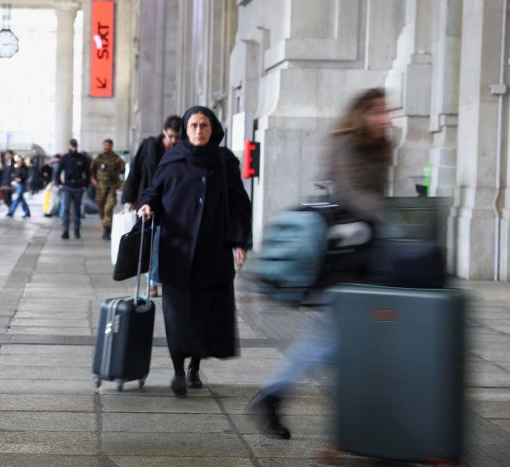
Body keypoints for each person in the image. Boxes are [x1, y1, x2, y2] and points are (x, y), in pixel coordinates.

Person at [246, 88, 393, 439]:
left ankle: (356, 416)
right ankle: (277, 396)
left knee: (334, 340)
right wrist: (388, 217)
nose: (386, 117)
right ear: (362, 114)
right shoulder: (347, 144)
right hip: (342, 257)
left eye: (386, 111)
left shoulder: (381, 146)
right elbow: (351, 195)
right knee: (328, 339)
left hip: (363, 256)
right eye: (378, 111)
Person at [137, 106, 252, 398]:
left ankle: (194, 369)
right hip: (177, 250)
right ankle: (177, 369)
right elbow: (155, 190)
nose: (199, 131)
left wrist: (239, 241)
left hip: (212, 252)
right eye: (193, 126)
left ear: (213, 129)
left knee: (203, 314)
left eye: (204, 125)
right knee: (176, 314)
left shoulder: (225, 162)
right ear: (186, 131)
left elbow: (239, 203)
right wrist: (148, 205)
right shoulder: (172, 159)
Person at [123, 115, 181, 296]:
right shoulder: (149, 146)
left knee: (165, 244)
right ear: (164, 131)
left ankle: (161, 280)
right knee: (150, 242)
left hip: (171, 205)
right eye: (171, 136)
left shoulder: (181, 151)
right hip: (148, 203)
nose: (173, 140)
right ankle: (152, 283)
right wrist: (129, 198)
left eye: (177, 137)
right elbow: (135, 171)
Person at [54, 139, 91, 239]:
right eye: (72, 146)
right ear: (69, 146)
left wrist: (86, 185)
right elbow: (58, 171)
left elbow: (87, 173)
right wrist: (58, 183)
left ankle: (76, 230)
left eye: (75, 146)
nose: (73, 148)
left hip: (78, 188)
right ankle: (65, 231)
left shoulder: (82, 158)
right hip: (67, 187)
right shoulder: (65, 158)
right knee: (66, 209)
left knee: (77, 210)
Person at [91, 138, 126, 240]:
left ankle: (107, 231)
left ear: (111, 146)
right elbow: (92, 170)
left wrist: (122, 183)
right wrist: (93, 179)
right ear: (103, 145)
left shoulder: (116, 158)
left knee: (108, 207)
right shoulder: (98, 158)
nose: (107, 147)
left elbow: (124, 169)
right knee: (101, 209)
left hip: (112, 187)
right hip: (100, 188)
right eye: (105, 145)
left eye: (108, 145)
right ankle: (106, 226)